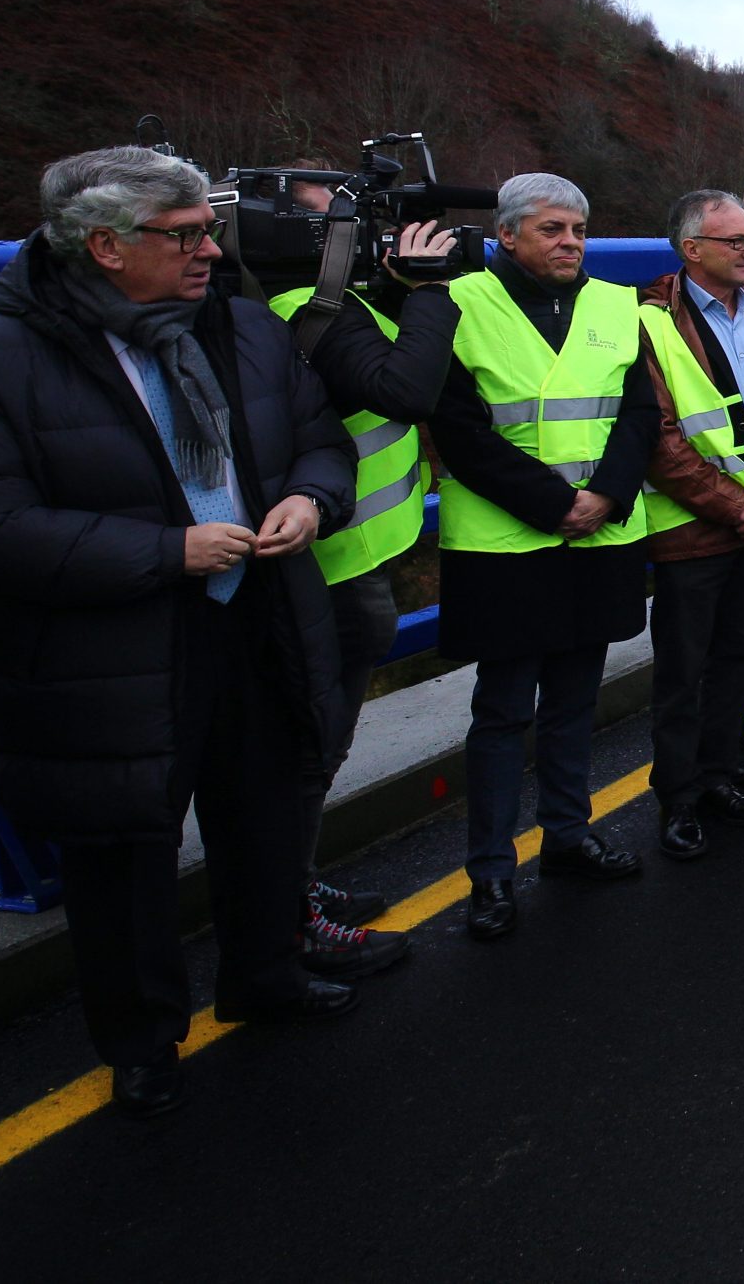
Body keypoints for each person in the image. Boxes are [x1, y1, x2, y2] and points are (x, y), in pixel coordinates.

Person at [0, 146, 359, 1116]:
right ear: (104, 246)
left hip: (258, 622)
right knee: (122, 858)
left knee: (265, 817)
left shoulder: (242, 328)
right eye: (186, 235)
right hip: (109, 654)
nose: (212, 249)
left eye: (210, 228)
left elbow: (324, 438)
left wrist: (311, 501)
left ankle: (267, 978)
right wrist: (167, 553)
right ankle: (142, 1041)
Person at [428, 173, 659, 940]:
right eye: (553, 230)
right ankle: (491, 874)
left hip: (599, 535)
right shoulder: (459, 304)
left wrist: (608, 495)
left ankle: (567, 836)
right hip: (507, 545)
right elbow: (457, 427)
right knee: (501, 715)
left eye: (579, 231)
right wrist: (554, 503)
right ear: (507, 236)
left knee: (573, 703)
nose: (571, 244)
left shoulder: (614, 303)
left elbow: (637, 414)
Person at [259, 161, 462, 976]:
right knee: (305, 748)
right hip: (322, 570)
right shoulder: (305, 309)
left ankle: (295, 884)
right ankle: (290, 913)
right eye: (331, 222)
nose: (355, 230)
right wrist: (429, 290)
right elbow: (406, 387)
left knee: (319, 744)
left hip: (353, 558)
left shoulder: (338, 300)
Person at [639, 190, 744, 859]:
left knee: (743, 657)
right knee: (684, 670)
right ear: (692, 250)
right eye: (735, 241)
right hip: (696, 527)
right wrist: (740, 505)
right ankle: (677, 798)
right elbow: (660, 437)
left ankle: (719, 773)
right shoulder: (653, 323)